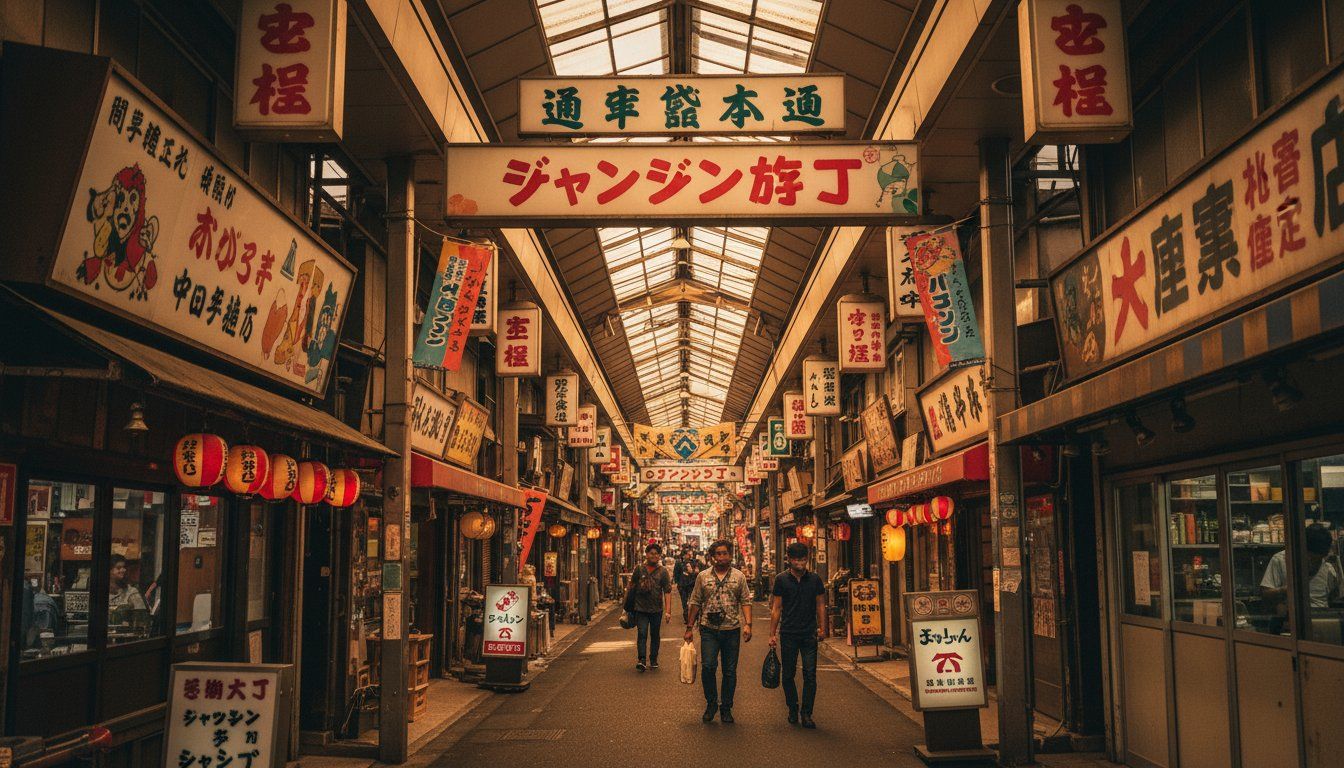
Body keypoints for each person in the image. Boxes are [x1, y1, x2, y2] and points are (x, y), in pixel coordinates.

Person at [685, 539, 753, 723]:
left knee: (730, 671)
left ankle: (726, 707)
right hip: (708, 629)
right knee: (708, 667)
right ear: (712, 557)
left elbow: (745, 601)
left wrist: (748, 624)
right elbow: (695, 601)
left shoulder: (739, 577)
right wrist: (689, 627)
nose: (722, 557)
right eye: (718, 554)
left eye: (725, 553)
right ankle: (711, 703)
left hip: (732, 629)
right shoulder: (703, 577)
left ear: (730, 555)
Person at [769, 542, 827, 728]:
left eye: (803, 559)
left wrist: (823, 628)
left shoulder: (815, 579)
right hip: (788, 633)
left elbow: (820, 605)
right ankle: (792, 707)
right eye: (796, 559)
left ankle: (807, 713)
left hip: (809, 633)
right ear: (789, 560)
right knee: (788, 674)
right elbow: (776, 608)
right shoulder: (781, 579)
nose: (800, 563)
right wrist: (772, 634)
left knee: (810, 674)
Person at [1262, 524, 1343, 608]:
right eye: (1311, 558)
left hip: (1321, 617)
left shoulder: (1328, 568)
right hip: (1293, 616)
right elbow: (1265, 594)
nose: (1313, 563)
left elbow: (1334, 598)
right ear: (1302, 548)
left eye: (1319, 559)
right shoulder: (1280, 560)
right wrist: (1285, 590)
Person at [631, 542, 672, 671]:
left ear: (659, 556)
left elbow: (667, 591)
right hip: (640, 608)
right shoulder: (639, 569)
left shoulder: (663, 572)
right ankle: (641, 659)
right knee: (642, 633)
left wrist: (668, 611)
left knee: (655, 634)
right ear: (646, 554)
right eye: (651, 553)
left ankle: (653, 659)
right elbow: (631, 587)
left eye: (656, 554)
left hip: (656, 609)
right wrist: (627, 606)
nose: (654, 556)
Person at [673, 546, 703, 624]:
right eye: (687, 554)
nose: (689, 555)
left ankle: (693, 616)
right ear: (683, 555)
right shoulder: (679, 563)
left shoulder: (695, 562)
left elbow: (698, 572)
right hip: (682, 586)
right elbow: (676, 574)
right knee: (684, 602)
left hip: (692, 585)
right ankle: (687, 618)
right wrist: (678, 583)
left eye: (690, 553)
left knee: (693, 601)